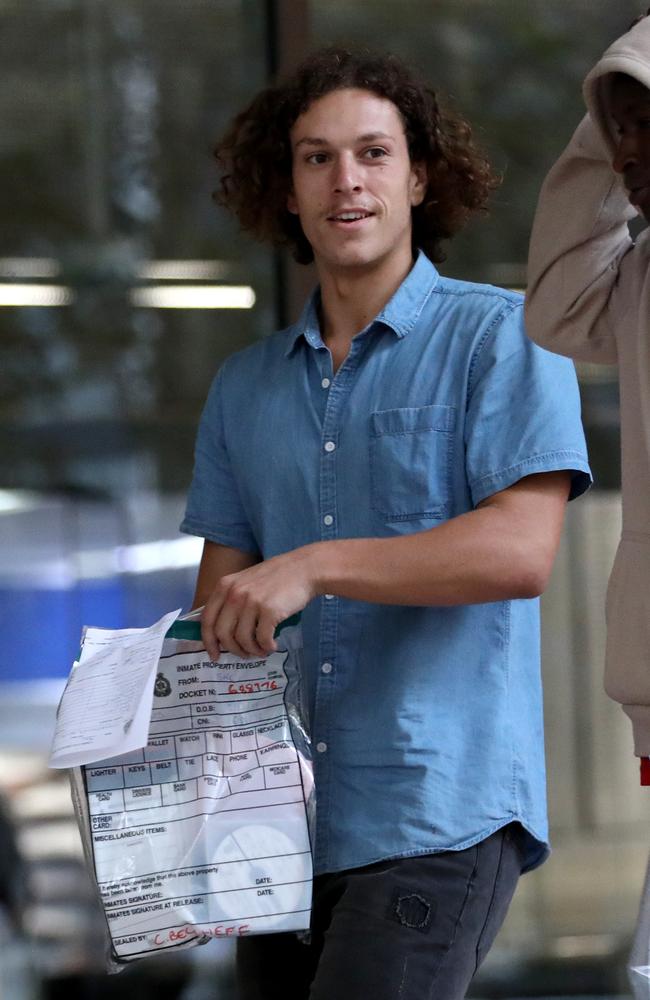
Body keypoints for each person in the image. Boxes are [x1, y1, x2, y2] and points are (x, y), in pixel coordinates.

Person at [180, 47, 590, 1000]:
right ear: (284, 189)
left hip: (434, 811)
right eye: (315, 158)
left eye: (372, 153)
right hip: (275, 835)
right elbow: (221, 613)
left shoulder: (503, 337)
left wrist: (316, 565)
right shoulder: (243, 388)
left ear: (419, 175)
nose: (346, 180)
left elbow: (520, 552)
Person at [525, 14, 650, 781]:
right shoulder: (640, 279)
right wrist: (610, 114)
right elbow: (556, 303)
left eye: (645, 125)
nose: (625, 151)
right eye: (619, 132)